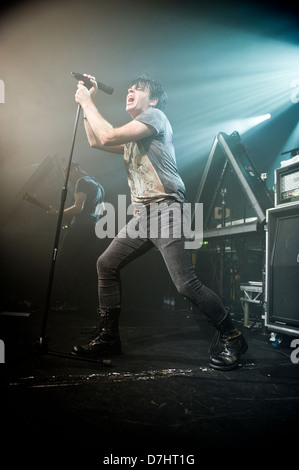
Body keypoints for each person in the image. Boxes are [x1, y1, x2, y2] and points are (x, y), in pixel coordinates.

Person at [71, 73, 248, 370]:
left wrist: (87, 101)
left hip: (167, 210)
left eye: (138, 89)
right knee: (106, 264)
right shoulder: (134, 136)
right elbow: (94, 140)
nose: (130, 90)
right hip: (143, 215)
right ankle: (109, 337)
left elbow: (106, 135)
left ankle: (233, 336)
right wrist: (88, 100)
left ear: (152, 100)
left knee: (185, 284)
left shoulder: (155, 116)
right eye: (129, 87)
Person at [48, 163, 105, 310]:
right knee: (72, 263)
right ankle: (76, 300)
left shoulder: (82, 181)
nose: (68, 178)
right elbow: (94, 209)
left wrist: (57, 213)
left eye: (68, 172)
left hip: (82, 226)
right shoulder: (96, 182)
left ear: (75, 169)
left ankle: (72, 301)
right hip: (91, 228)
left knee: (62, 261)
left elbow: (78, 208)